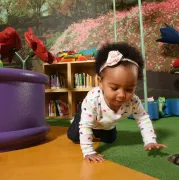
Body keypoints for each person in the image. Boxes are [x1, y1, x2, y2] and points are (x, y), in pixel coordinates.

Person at [67, 42, 167, 163]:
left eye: (129, 89)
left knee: (110, 140)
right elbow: (85, 126)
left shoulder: (133, 101)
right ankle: (77, 120)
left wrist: (150, 140)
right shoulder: (93, 99)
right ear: (100, 82)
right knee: (74, 136)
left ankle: (97, 130)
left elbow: (143, 119)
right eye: (114, 88)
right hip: (88, 115)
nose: (121, 95)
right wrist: (89, 151)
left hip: (107, 122)